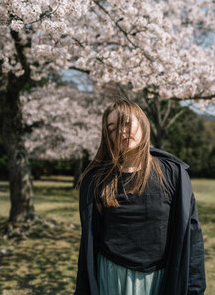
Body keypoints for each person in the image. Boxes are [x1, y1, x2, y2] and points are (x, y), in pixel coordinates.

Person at [74, 99, 206, 295]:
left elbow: (192, 236)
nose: (121, 131)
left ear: (142, 123)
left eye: (126, 122)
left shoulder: (174, 174)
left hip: (160, 279)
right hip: (111, 277)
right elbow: (88, 244)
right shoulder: (98, 179)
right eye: (112, 128)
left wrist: (195, 289)